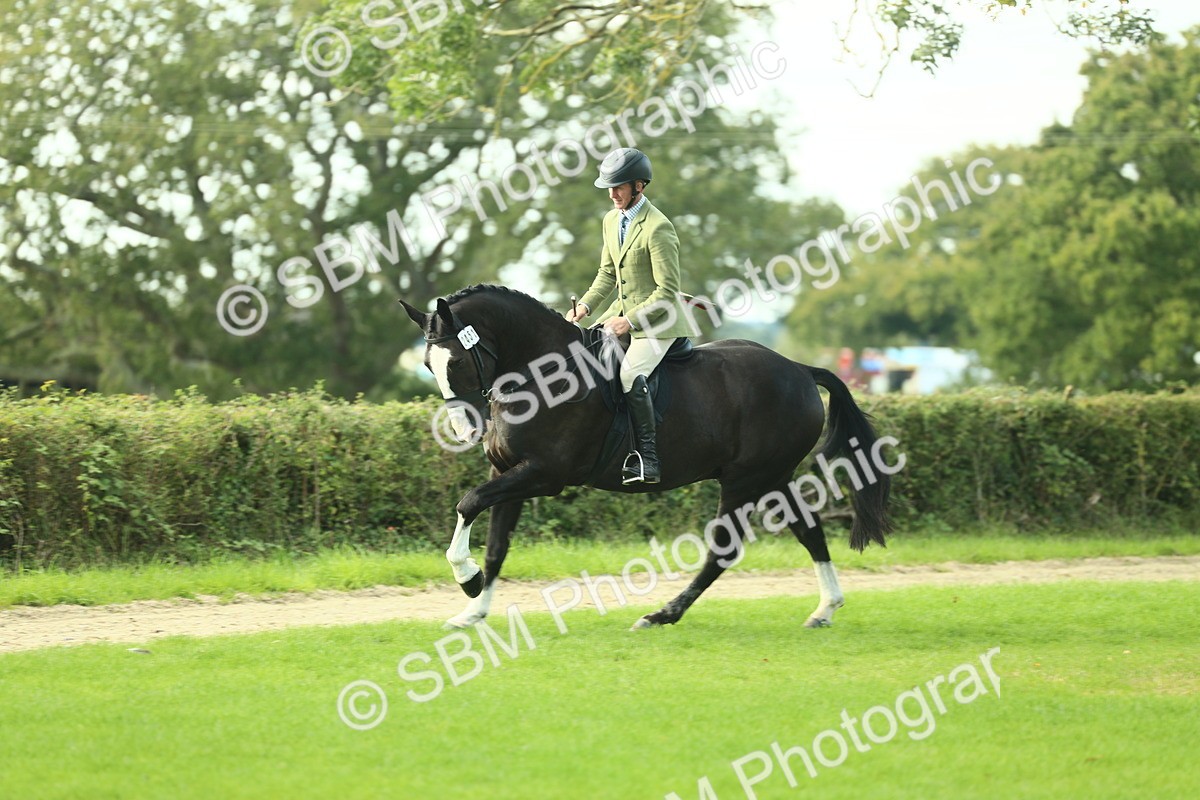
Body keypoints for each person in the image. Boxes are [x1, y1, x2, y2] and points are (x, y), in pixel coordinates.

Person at [565, 147, 692, 484]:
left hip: (658, 323)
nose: (612, 194)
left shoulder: (659, 228)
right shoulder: (611, 220)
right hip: (616, 315)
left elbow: (667, 292)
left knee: (629, 377)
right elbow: (607, 274)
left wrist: (630, 320)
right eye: (609, 187)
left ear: (640, 186)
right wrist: (586, 307)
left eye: (619, 186)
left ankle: (648, 460)